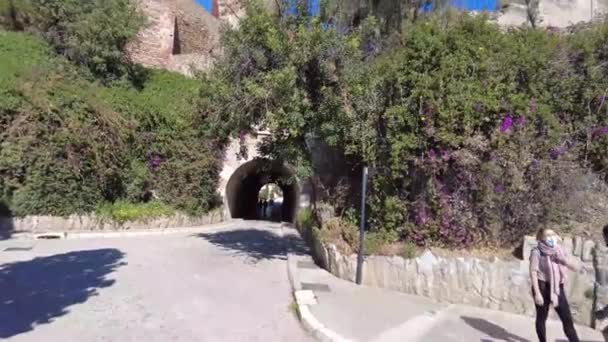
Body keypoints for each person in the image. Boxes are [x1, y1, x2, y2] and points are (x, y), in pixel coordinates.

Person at [529, 228, 580, 342]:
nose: (551, 237)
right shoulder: (536, 252)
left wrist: (563, 260)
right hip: (542, 287)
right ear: (541, 238)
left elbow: (575, 267)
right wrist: (537, 293)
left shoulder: (559, 250)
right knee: (542, 318)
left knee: (567, 319)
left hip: (557, 288)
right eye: (547, 235)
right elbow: (533, 272)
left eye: (553, 234)